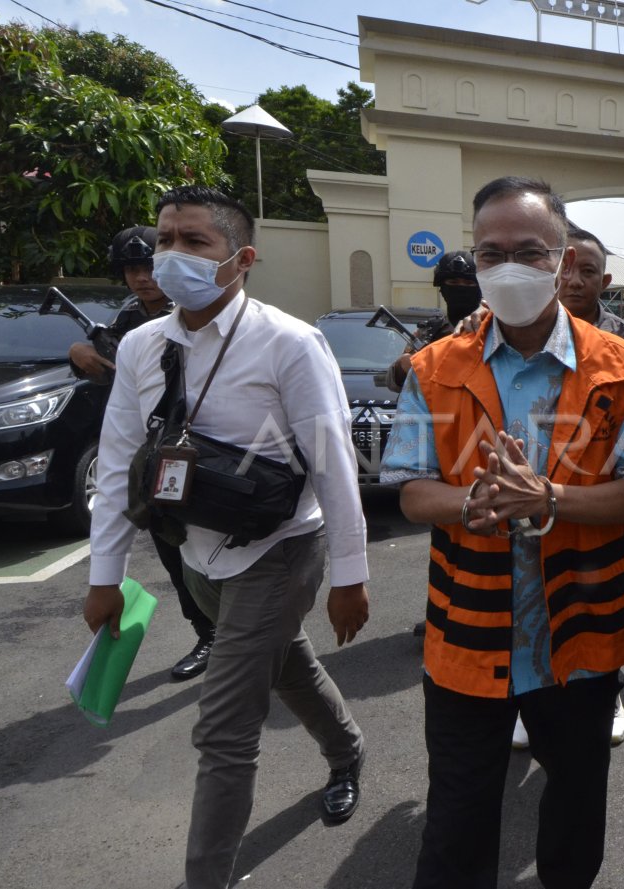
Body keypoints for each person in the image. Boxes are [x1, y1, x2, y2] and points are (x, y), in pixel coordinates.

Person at [82, 185, 370, 889]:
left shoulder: (290, 343)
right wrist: (103, 573)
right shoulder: (144, 345)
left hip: (279, 549)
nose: (169, 256)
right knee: (287, 663)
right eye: (164, 239)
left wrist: (351, 572)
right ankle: (347, 747)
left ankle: (206, 878)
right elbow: (120, 457)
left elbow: (334, 462)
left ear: (241, 259)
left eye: (193, 241)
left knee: (224, 727)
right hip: (192, 548)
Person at [381, 175, 624, 889]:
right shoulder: (433, 369)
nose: (510, 266)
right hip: (468, 637)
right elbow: (413, 491)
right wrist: (468, 502)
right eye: (492, 251)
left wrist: (550, 497)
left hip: (583, 638)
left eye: (530, 250)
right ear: (474, 261)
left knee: (573, 821)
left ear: (564, 259)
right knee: (455, 827)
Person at [508, 224, 624, 751]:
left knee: (598, 601)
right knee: (535, 600)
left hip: (599, 497)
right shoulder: (514, 330)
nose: (575, 280)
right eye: (568, 267)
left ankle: (606, 689)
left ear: (604, 279)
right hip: (530, 496)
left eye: (589, 271)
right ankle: (532, 694)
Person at [69, 225, 218, 681]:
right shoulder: (126, 320)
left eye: (148, 266)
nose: (142, 277)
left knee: (219, 549)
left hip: (202, 451)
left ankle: (242, 636)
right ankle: (208, 633)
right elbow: (103, 369)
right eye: (131, 268)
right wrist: (79, 352)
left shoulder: (195, 311)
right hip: (147, 457)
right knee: (173, 551)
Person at [384, 249, 482, 391]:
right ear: (442, 288)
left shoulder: (492, 327)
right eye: (453, 282)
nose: (461, 288)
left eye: (468, 283)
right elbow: (393, 383)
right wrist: (403, 367)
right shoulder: (429, 332)